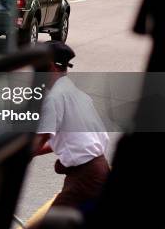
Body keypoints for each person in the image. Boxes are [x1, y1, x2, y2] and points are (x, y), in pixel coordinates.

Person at [33, 41, 110, 210]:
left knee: (49, 228)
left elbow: (39, 140)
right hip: (98, 170)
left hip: (86, 177)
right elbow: (71, 139)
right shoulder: (75, 94)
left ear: (51, 67)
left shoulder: (54, 99)